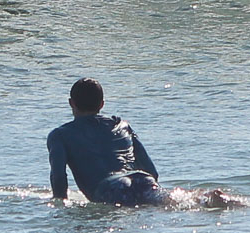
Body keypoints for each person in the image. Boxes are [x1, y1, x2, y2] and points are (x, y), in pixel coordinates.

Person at [47, 78, 167, 206]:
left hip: (112, 189)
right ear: (102, 104)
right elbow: (152, 171)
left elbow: (59, 178)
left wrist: (59, 208)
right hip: (144, 181)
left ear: (71, 103)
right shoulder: (122, 126)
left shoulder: (60, 135)